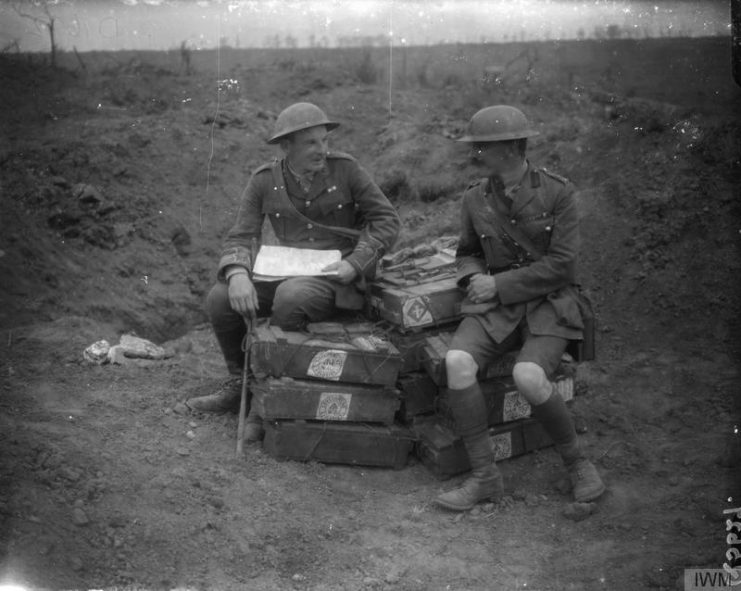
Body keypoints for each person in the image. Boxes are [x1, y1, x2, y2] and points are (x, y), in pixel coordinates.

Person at [186, 102, 401, 440]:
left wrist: (355, 262)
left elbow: (387, 220)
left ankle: (266, 397)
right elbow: (241, 233)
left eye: (325, 141)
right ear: (286, 147)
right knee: (220, 298)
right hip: (285, 271)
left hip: (334, 277)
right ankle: (239, 384)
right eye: (311, 143)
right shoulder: (264, 180)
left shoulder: (347, 171)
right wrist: (238, 274)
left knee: (290, 298)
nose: (322, 150)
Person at [435, 105, 605, 511]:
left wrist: (499, 283)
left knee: (528, 376)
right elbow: (467, 252)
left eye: (483, 147)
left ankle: (577, 463)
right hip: (496, 305)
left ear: (510, 147)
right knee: (457, 361)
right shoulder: (475, 197)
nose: (475, 154)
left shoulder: (557, 192)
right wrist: (471, 278)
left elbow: (563, 265)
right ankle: (484, 477)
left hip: (550, 302)